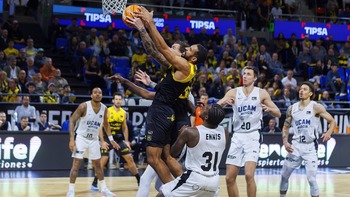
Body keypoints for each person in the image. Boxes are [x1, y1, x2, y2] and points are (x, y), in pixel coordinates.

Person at [123, 7, 207, 184]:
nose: (184, 49)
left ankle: (172, 192)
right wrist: (144, 28)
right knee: (166, 157)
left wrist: (147, 24)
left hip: (162, 111)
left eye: (189, 49)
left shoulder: (185, 66)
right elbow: (156, 50)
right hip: (168, 111)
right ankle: (185, 187)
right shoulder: (184, 64)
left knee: (153, 159)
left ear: (193, 58)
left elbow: (161, 47)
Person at [217, 65, 281, 197]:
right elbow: (215, 107)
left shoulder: (261, 93)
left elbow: (278, 113)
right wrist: (224, 102)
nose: (245, 76)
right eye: (244, 74)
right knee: (229, 178)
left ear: (255, 78)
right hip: (238, 136)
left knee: (248, 175)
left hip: (253, 136)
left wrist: (270, 110)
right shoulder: (233, 92)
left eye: (248, 74)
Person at [158, 104, 228, 197]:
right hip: (214, 181)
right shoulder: (224, 131)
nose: (203, 107)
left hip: (195, 178)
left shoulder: (190, 132)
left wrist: (181, 134)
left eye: (206, 108)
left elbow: (173, 154)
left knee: (162, 195)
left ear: (206, 117)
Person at [279, 81, 335, 197]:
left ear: (310, 93)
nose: (301, 91)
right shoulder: (292, 108)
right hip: (295, 146)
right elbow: (285, 127)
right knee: (284, 176)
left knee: (311, 179)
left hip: (310, 147)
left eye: (304, 89)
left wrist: (329, 132)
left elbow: (332, 121)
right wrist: (285, 141)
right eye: (300, 89)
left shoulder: (316, 107)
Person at [66, 87, 119, 197]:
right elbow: (72, 120)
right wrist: (72, 139)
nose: (98, 94)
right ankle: (71, 190)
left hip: (94, 140)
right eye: (95, 93)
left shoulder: (104, 109)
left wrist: (111, 140)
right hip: (81, 138)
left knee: (98, 165)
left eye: (100, 93)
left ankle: (104, 189)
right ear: (91, 95)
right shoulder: (84, 106)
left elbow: (106, 125)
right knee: (76, 164)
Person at [91, 92, 140, 190]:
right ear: (113, 101)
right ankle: (95, 182)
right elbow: (100, 128)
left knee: (129, 158)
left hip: (118, 139)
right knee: (104, 160)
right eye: (116, 99)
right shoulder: (107, 111)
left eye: (119, 99)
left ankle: (139, 180)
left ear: (121, 101)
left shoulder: (123, 112)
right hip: (107, 139)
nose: (118, 101)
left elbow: (125, 127)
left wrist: (126, 141)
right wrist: (102, 141)